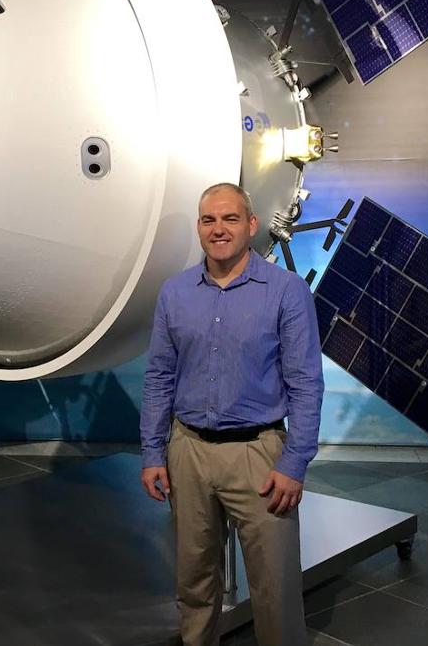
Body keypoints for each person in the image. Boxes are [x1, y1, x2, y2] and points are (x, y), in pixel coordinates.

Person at [139, 182, 325, 646]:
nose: (218, 229)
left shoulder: (286, 291)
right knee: (193, 582)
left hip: (258, 456)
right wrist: (153, 452)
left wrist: (295, 463)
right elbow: (159, 376)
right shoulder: (175, 293)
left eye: (230, 218)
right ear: (199, 227)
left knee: (275, 588)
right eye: (209, 220)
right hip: (188, 452)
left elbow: (305, 383)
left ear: (251, 225)